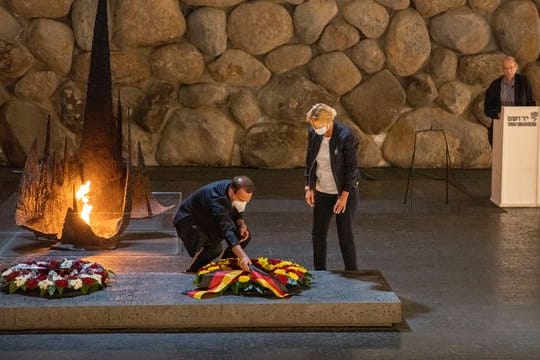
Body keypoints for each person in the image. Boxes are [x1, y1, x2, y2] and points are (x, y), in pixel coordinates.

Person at [304, 103, 360, 271]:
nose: (315, 128)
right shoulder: (313, 134)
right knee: (318, 234)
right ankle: (319, 272)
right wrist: (309, 187)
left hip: (343, 193)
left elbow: (352, 169)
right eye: (313, 125)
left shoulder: (346, 136)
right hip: (322, 191)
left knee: (345, 235)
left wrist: (344, 197)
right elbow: (310, 161)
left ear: (329, 121)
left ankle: (352, 273)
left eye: (318, 125)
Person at [174, 176, 254, 273]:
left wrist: (241, 224)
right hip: (190, 221)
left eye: (247, 200)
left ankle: (224, 265)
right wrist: (243, 257)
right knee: (214, 248)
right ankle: (193, 271)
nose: (244, 203)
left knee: (244, 235)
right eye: (241, 200)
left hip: (209, 216)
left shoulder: (233, 186)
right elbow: (226, 228)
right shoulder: (217, 198)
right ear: (232, 192)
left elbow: (236, 209)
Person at [484, 56, 536, 146]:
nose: (508, 71)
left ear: (516, 67)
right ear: (502, 69)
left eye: (511, 68)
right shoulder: (495, 85)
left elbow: (531, 103)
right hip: (501, 125)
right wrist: (498, 114)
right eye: (505, 68)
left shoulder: (524, 82)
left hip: (520, 125)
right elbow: (487, 108)